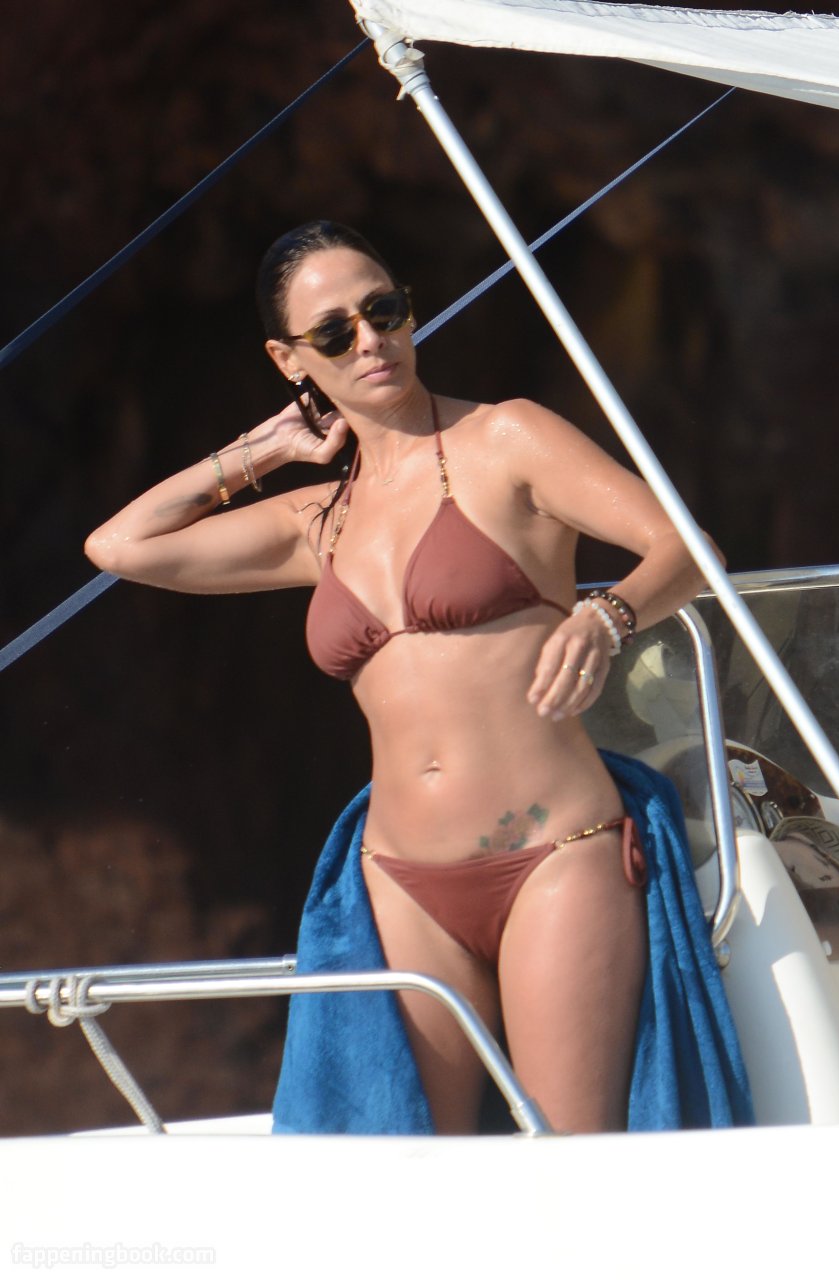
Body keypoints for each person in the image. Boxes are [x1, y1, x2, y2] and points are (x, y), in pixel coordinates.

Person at [85, 219, 714, 1135]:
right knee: (419, 1171)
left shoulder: (506, 438)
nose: (370, 340)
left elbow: (685, 545)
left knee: (569, 1165)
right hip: (402, 882)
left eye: (383, 310)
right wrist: (267, 452)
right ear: (289, 359)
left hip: (556, 854)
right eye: (333, 332)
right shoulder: (316, 520)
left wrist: (606, 614)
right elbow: (120, 546)